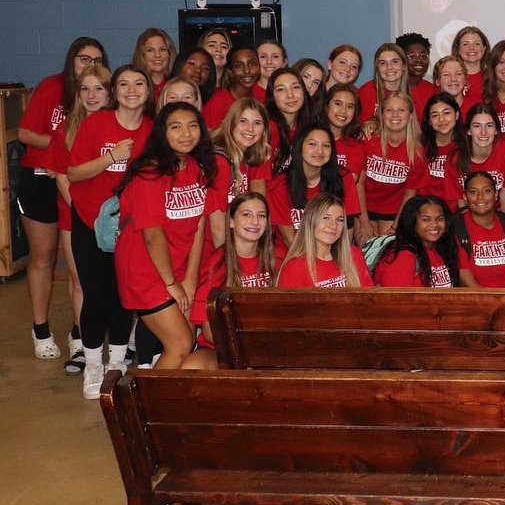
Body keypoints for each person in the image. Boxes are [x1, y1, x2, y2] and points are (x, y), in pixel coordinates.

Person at [67, 64, 155, 398]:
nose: (132, 90)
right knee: (95, 295)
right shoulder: (97, 124)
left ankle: (116, 362)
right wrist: (112, 156)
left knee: (121, 296)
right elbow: (74, 173)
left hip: (128, 228)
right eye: (124, 84)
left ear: (148, 91)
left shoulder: (152, 131)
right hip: (89, 222)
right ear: (114, 92)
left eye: (139, 84)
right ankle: (93, 364)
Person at [18, 37, 107, 360]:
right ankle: (40, 328)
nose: (90, 64)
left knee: (78, 267)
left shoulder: (102, 100)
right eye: (84, 58)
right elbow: (25, 134)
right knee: (42, 257)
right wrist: (66, 143)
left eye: (97, 59)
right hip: (41, 178)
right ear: (71, 60)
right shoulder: (52, 88)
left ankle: (78, 331)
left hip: (78, 182)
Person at [114, 102, 216, 371]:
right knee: (180, 344)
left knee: (185, 345)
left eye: (193, 125)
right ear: (163, 133)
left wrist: (190, 278)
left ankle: (167, 396)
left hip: (178, 267)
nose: (186, 133)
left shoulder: (196, 166)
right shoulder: (150, 173)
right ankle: (144, 398)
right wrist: (171, 283)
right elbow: (153, 236)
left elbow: (199, 224)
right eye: (176, 127)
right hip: (145, 270)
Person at [47, 63, 111, 373]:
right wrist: (85, 213)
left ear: (110, 92)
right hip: (77, 217)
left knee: (115, 282)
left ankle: (120, 344)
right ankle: (86, 345)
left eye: (98, 88)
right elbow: (61, 175)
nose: (91, 95)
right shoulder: (67, 128)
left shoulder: (117, 125)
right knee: (81, 281)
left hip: (114, 219)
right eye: (85, 89)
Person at [181, 191, 275, 370]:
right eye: (246, 214)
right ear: (231, 221)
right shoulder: (216, 263)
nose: (255, 221)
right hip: (223, 349)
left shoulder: (277, 260)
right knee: (191, 366)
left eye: (261, 216)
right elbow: (209, 332)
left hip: (266, 347)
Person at [267, 123, 360, 256]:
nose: (320, 151)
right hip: (292, 256)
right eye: (312, 144)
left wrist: (335, 261)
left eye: (326, 146)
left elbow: (347, 230)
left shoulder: (343, 179)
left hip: (330, 255)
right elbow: (290, 240)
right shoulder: (280, 186)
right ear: (299, 147)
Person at [275, 193, 373, 288]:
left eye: (339, 220)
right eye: (326, 218)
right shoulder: (295, 267)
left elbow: (369, 296)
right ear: (310, 221)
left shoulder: (353, 255)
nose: (333, 226)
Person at [365, 93, 425, 237]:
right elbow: (358, 184)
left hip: (394, 211)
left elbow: (410, 193)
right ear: (381, 115)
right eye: (389, 110)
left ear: (410, 116)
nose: (395, 115)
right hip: (364, 209)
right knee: (365, 248)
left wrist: (396, 225)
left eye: (401, 110)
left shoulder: (417, 152)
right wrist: (363, 221)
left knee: (387, 248)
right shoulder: (368, 141)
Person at [450, 172, 505, 288]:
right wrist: (493, 299)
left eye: (487, 191)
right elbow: (465, 279)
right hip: (475, 296)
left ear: (496, 195)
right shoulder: (457, 229)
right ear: (465, 197)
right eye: (473, 192)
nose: (480, 197)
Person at [444, 103, 505, 215]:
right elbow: (461, 201)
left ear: (496, 130)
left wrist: (503, 224)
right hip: (468, 212)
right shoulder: (454, 158)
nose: (483, 132)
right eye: (477, 126)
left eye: (489, 126)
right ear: (469, 130)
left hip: (497, 210)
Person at [373, 195, 462, 288]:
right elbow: (396, 296)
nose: (435, 225)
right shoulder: (403, 256)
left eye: (440, 219)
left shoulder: (442, 249)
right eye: (426, 220)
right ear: (412, 221)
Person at [323, 84, 369, 240]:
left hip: (342, 215)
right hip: (311, 211)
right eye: (338, 104)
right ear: (326, 105)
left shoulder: (357, 146)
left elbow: (349, 183)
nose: (343, 111)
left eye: (350, 107)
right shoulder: (311, 136)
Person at [264, 67, 315, 175]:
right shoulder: (268, 129)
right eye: (281, 89)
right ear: (272, 96)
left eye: (296, 87)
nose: (290, 95)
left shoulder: (310, 128)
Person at [419, 93, 463, 197]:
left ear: (456, 115)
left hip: (456, 205)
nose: (441, 119)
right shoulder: (420, 146)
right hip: (424, 203)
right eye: (435, 115)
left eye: (446, 113)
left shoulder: (467, 146)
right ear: (429, 120)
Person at [204, 47, 259, 129]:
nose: (247, 70)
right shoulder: (217, 102)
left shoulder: (262, 98)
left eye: (252, 64)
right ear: (230, 72)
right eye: (239, 66)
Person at [358, 42, 409, 125]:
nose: (389, 67)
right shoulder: (366, 91)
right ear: (377, 68)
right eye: (383, 63)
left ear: (403, 65)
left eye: (395, 61)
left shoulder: (413, 92)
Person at [396, 32, 437, 116]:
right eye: (412, 56)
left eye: (424, 56)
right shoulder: (390, 89)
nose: (419, 60)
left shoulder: (434, 91)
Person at [133, 28, 177, 100]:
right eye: (150, 50)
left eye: (163, 49)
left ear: (169, 54)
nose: (157, 55)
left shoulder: (179, 86)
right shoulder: (134, 88)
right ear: (142, 55)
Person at [451, 25, 490, 100]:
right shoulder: (450, 78)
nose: (471, 48)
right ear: (458, 50)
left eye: (477, 43)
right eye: (466, 44)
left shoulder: (492, 78)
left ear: (484, 49)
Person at [253, 39, 287, 104]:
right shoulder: (246, 93)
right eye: (263, 57)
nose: (269, 62)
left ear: (284, 62)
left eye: (275, 56)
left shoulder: (293, 92)